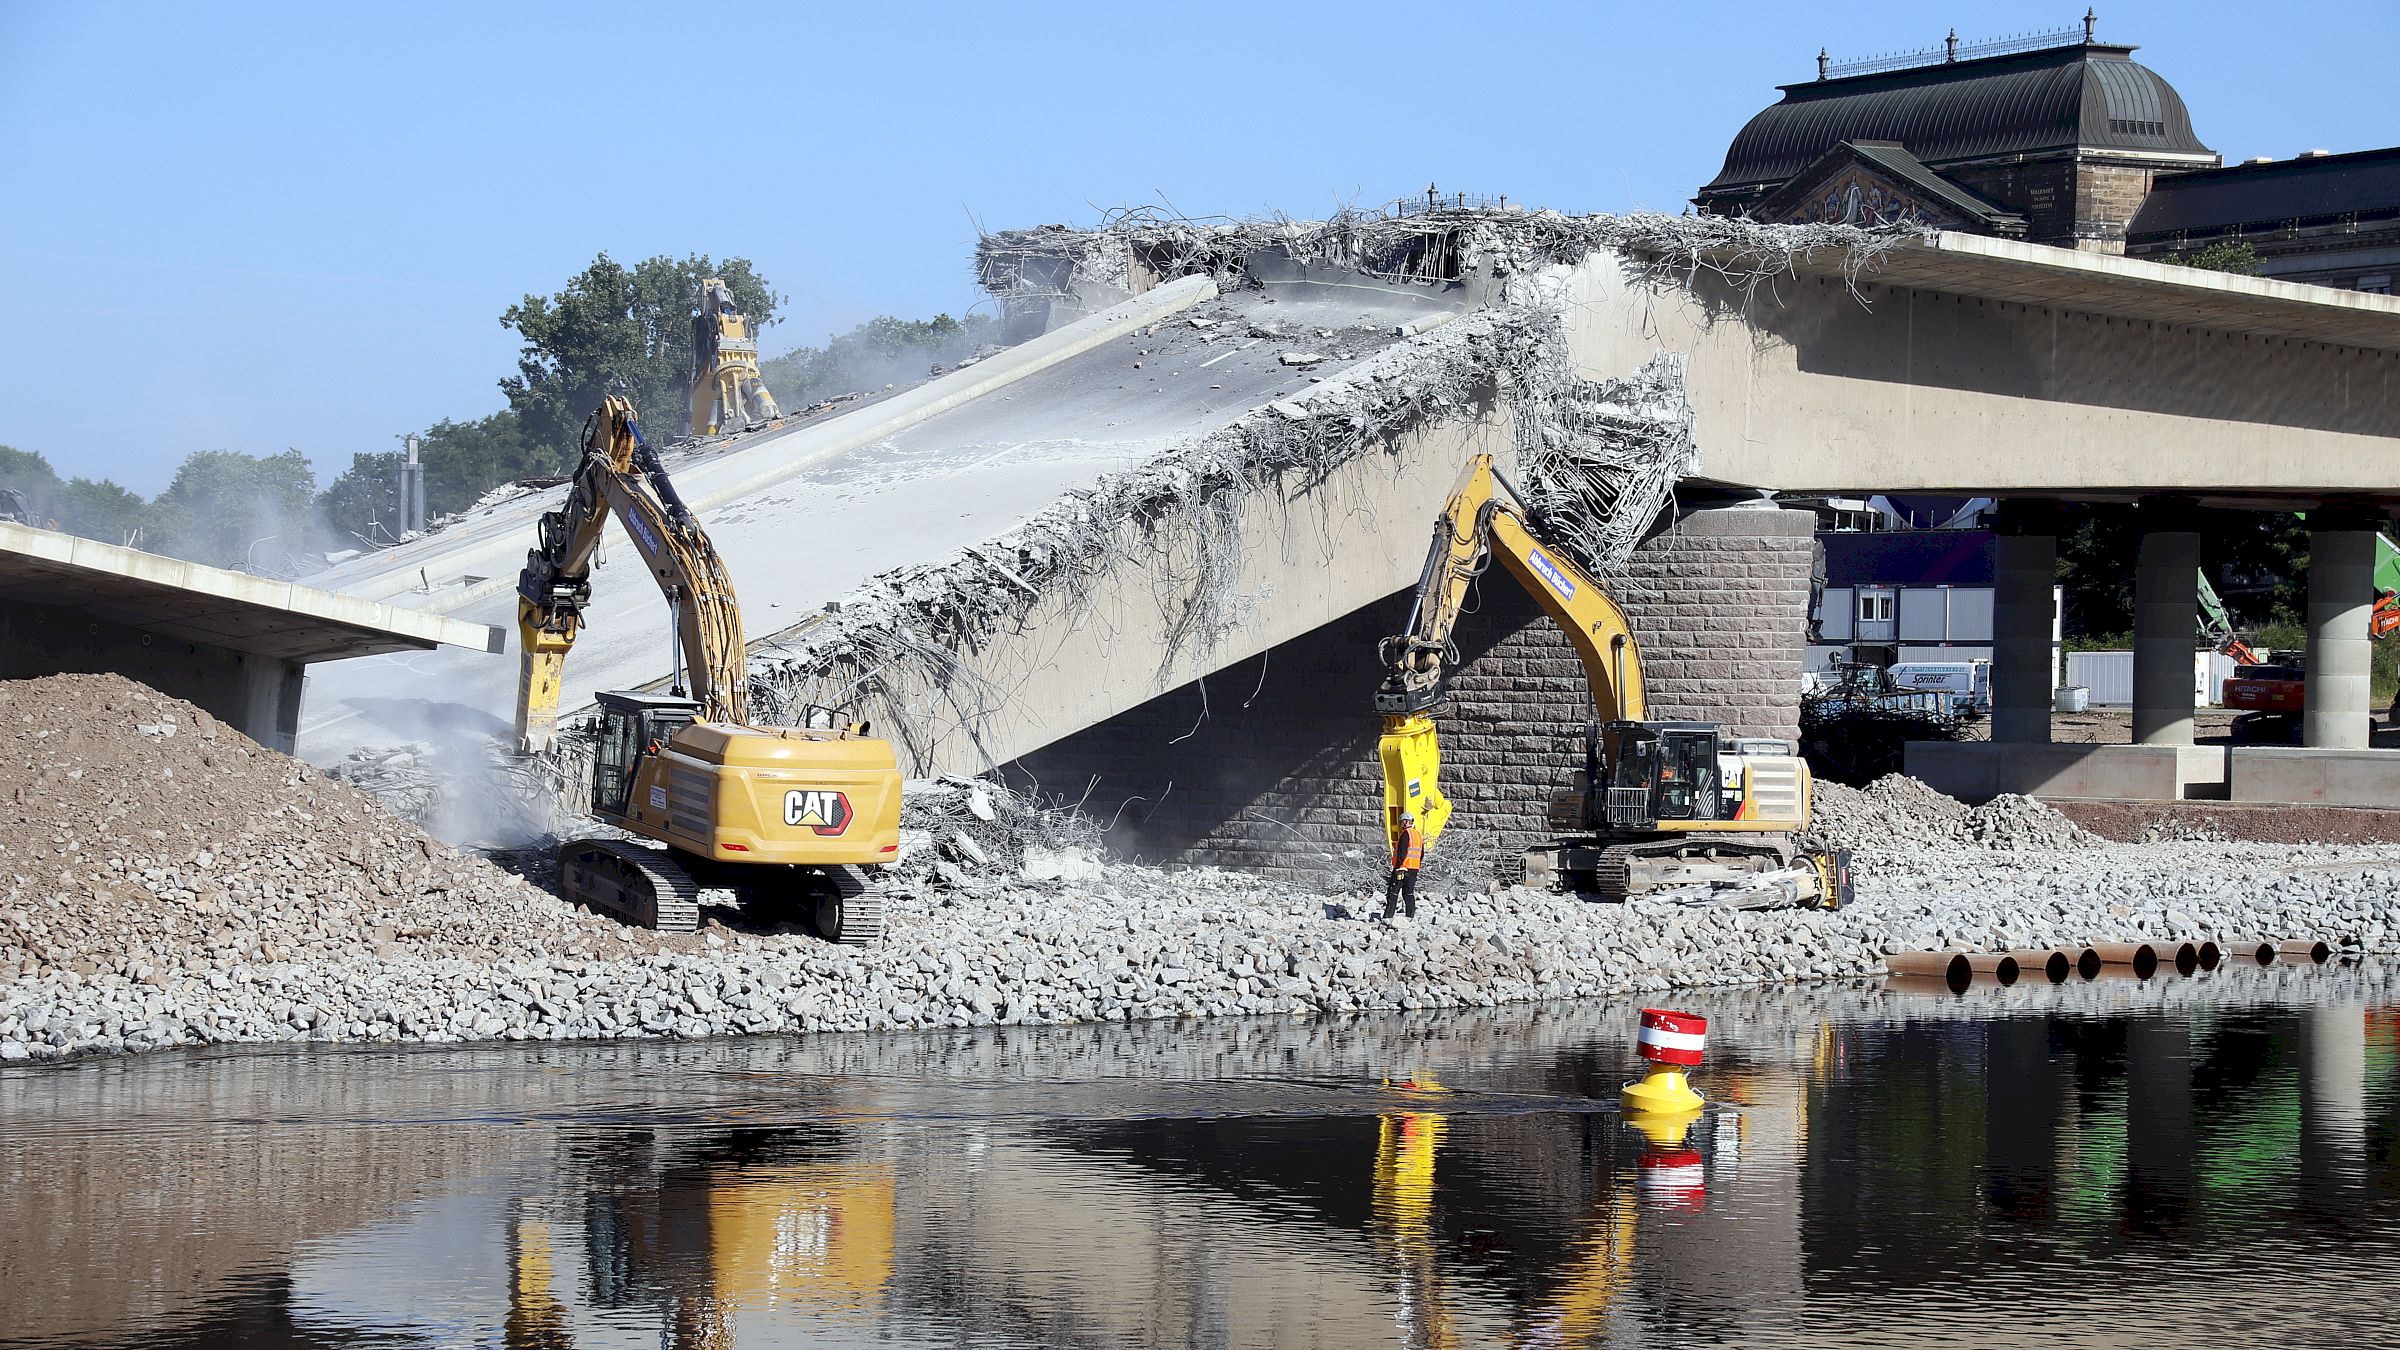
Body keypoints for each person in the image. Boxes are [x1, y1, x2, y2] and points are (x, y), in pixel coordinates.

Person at [1384, 811, 1424, 919]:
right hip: (1414, 869)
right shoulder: (1418, 835)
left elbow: (1402, 851)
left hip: (1403, 868)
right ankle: (1410, 916)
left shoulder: (1406, 834)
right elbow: (1421, 854)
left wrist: (1398, 867)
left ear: (1406, 822)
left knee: (1393, 891)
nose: (1400, 825)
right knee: (1408, 893)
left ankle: (1388, 916)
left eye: (1401, 822)